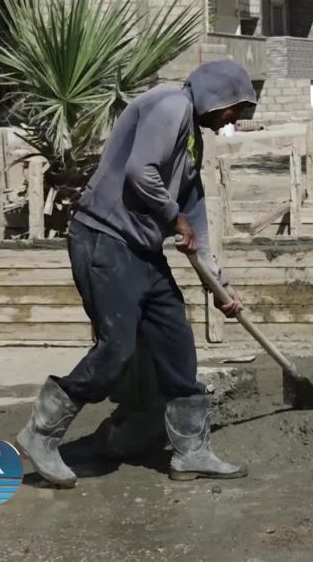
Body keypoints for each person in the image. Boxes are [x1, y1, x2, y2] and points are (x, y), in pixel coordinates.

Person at [16, 59, 257, 487]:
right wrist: (172, 217)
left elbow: (194, 216)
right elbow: (140, 171)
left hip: (142, 251)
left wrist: (220, 284)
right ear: (217, 96)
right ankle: (41, 432)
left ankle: (191, 452)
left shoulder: (192, 140)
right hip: (105, 240)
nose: (232, 120)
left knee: (176, 343)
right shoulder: (171, 106)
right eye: (234, 108)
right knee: (117, 350)